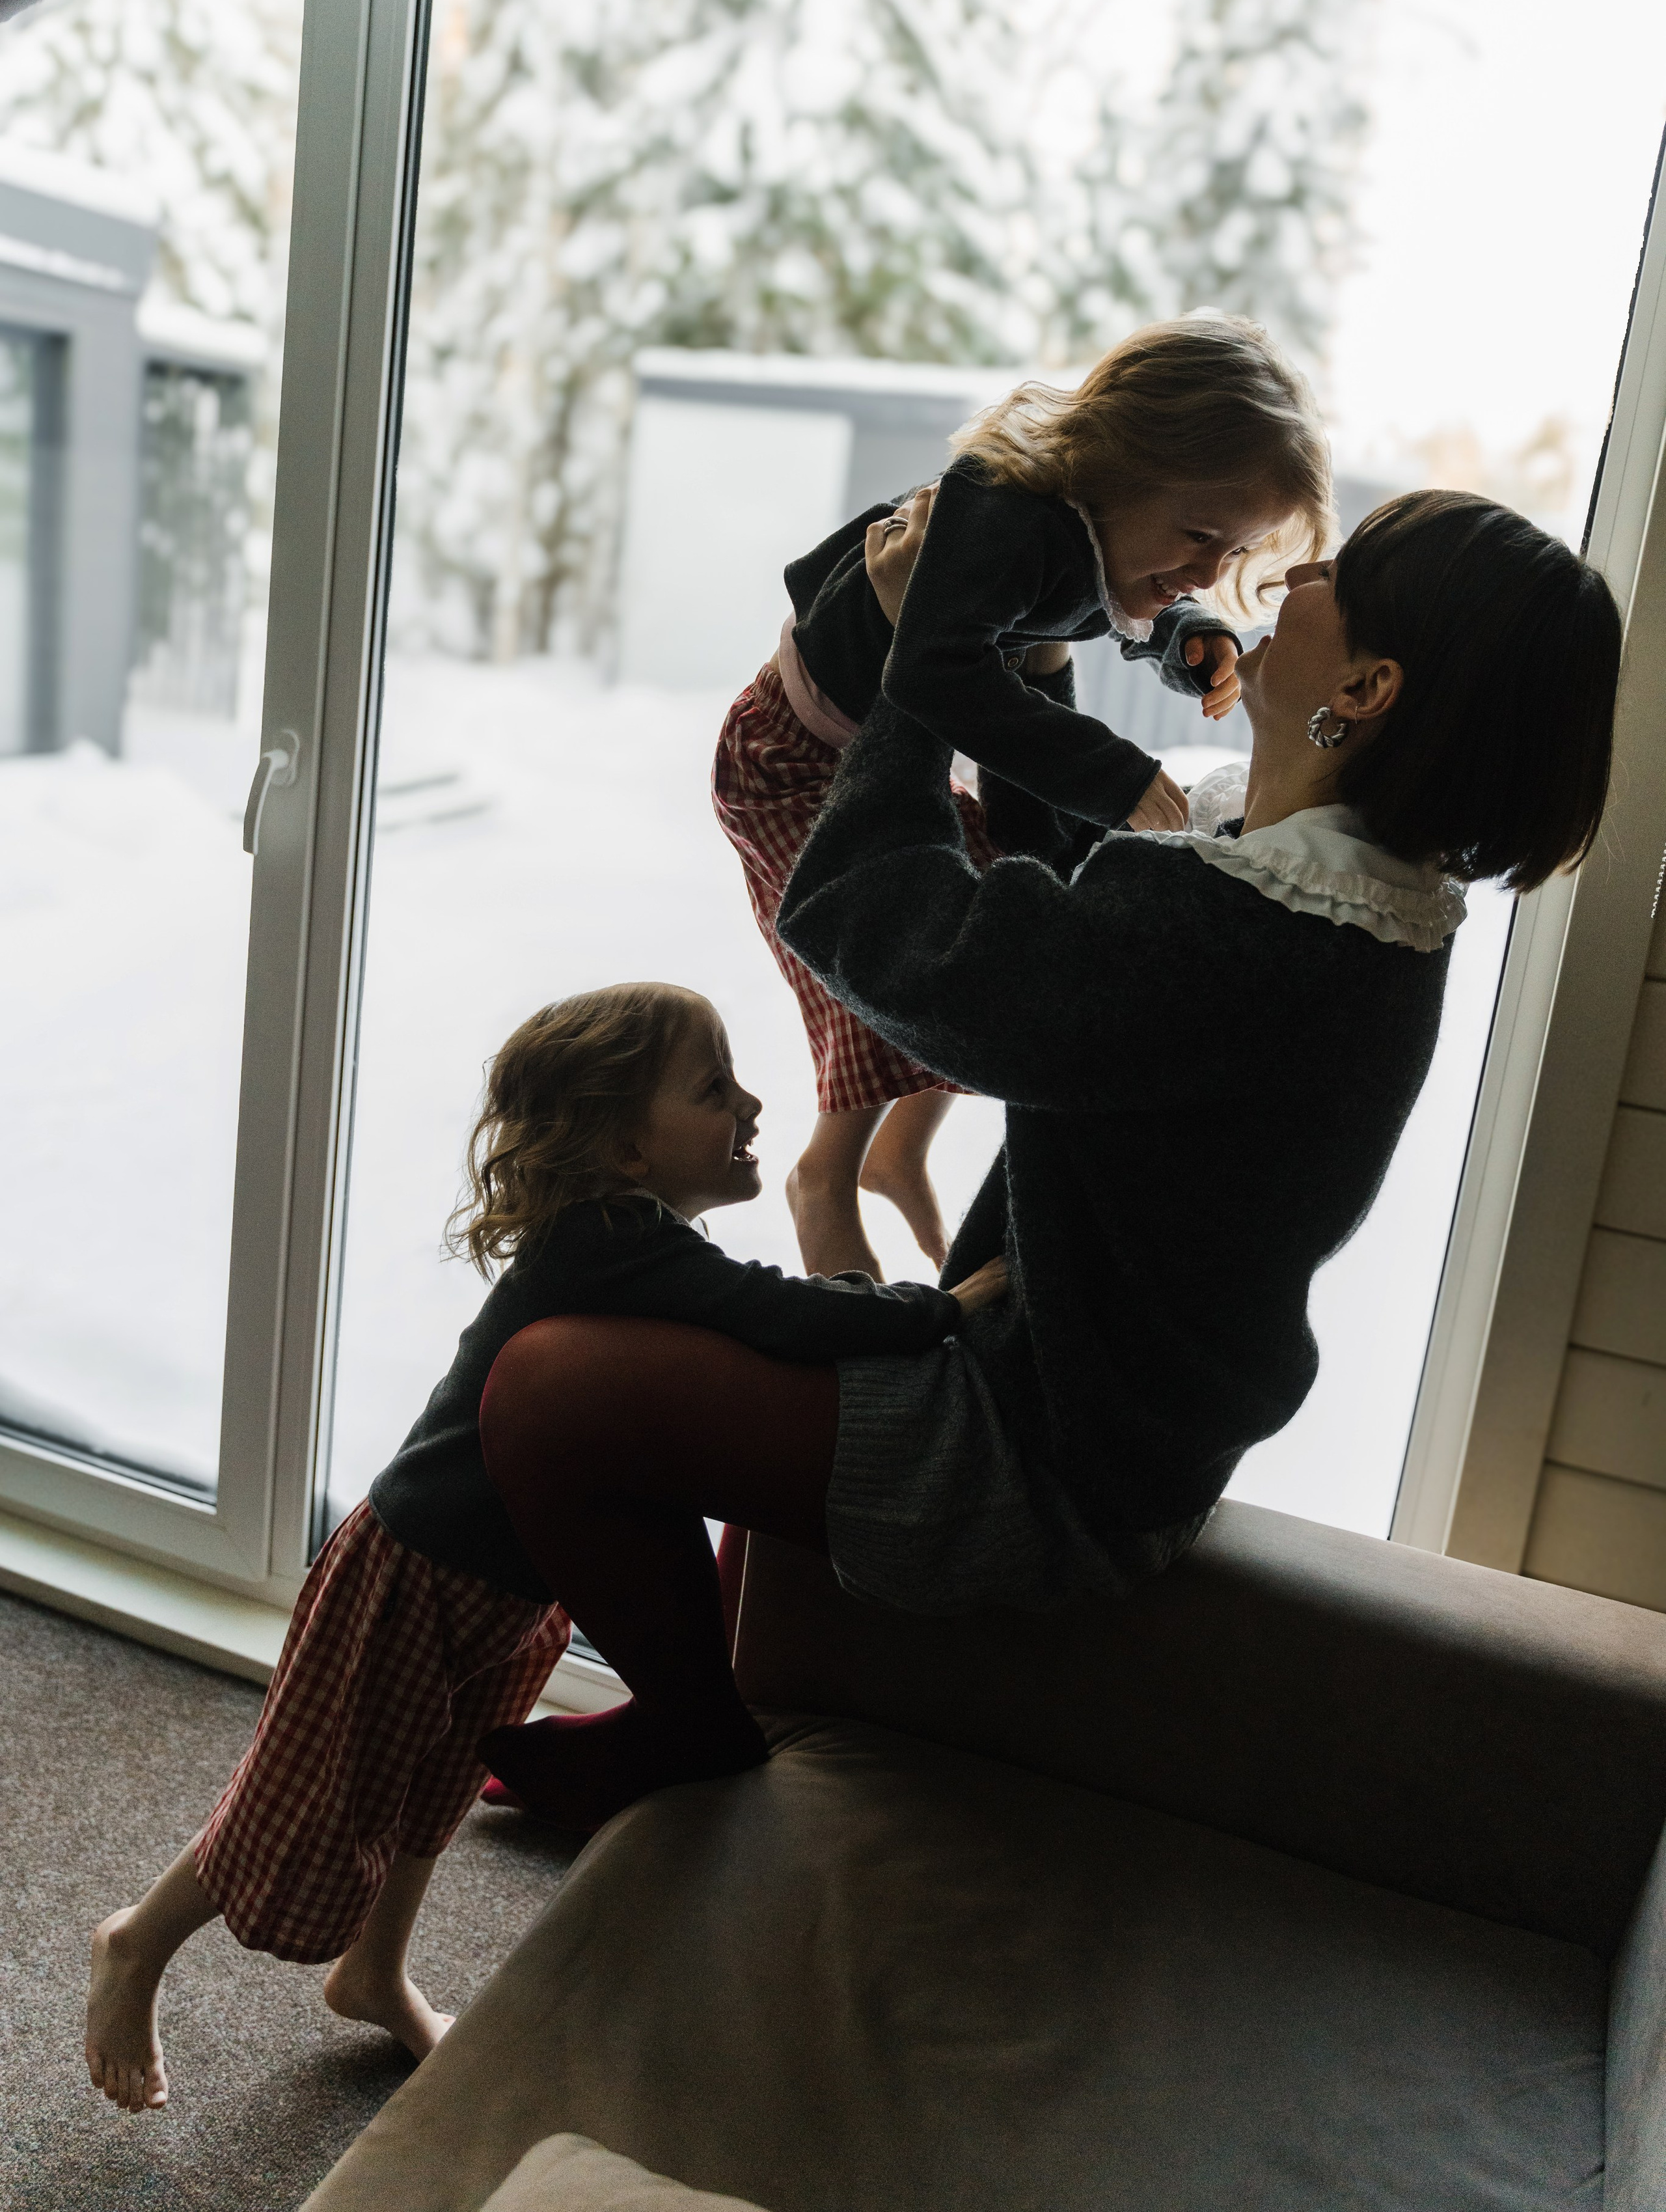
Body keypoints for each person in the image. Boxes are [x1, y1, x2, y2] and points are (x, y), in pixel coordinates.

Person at [472, 490, 1622, 1841]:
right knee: (733, 1350)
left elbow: (889, 936)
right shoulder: (1343, 905)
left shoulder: (1253, 934)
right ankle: (698, 1690)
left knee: (543, 1392)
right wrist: (1023, 654)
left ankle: (688, 1719)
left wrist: (924, 669)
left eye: (1338, 574)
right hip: (1104, 1398)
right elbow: (1073, 902)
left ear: (1364, 685)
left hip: (1048, 1451)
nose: (1297, 575)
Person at [84, 982, 1004, 2115]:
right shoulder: (612, 1241)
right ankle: (139, 1940)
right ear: (623, 1148)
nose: (754, 1104)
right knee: (312, 1793)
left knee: (431, 1785)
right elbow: (783, 1315)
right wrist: (945, 1310)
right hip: (418, 1572)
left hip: (504, 1589)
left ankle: (373, 1972)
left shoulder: (637, 1234)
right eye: (715, 1089)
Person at [712, 314, 1331, 1282]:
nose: (1207, 570)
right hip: (789, 755)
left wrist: (1188, 637)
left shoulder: (1097, 527)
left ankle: (896, 1152)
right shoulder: (1001, 507)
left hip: (881, 747)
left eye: (1231, 551)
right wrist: (1116, 776)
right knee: (888, 973)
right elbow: (937, 673)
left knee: (1015, 904)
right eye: (1201, 537)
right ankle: (827, 1179)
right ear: (1116, 464)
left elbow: (1109, 610)